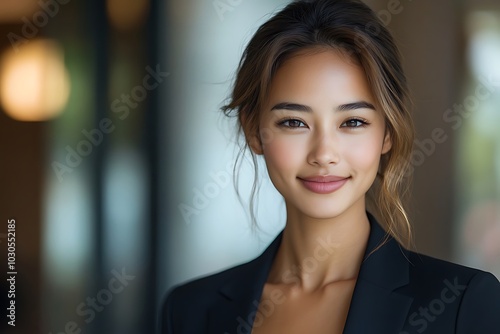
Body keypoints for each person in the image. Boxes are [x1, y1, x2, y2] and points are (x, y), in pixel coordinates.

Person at [160, 0, 500, 333]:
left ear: (388, 132)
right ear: (254, 130)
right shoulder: (191, 311)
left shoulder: (462, 303)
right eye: (293, 122)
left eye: (352, 121)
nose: (324, 154)